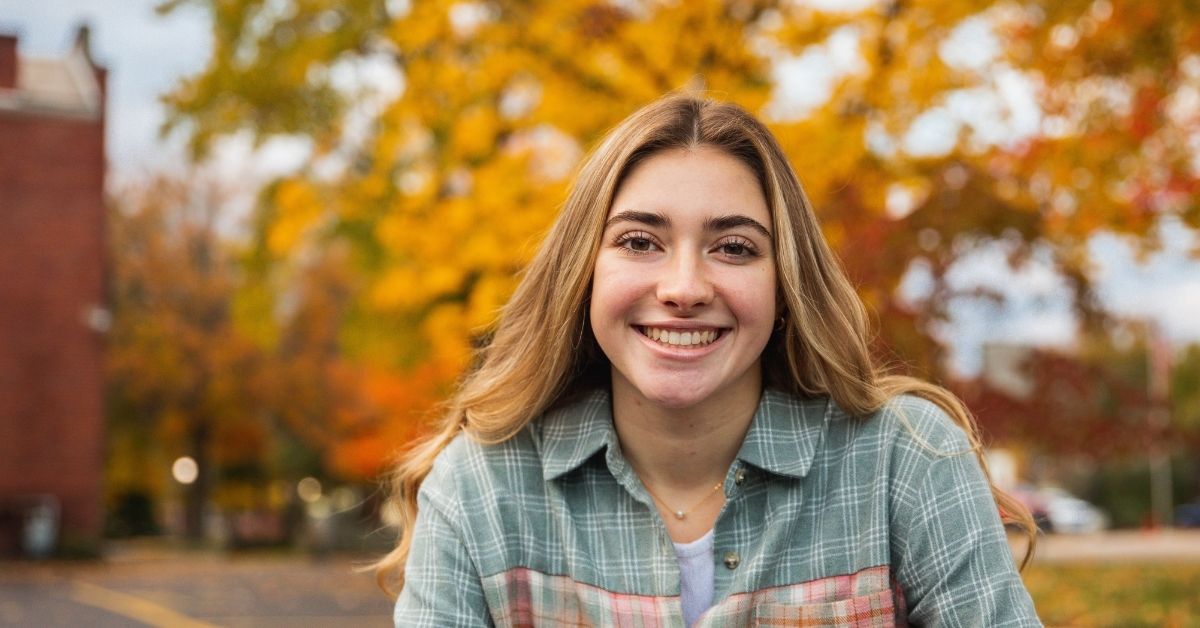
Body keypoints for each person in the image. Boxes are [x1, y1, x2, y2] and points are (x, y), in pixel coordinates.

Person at [377, 94, 1042, 627]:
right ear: (583, 274)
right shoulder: (480, 491)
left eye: (734, 248)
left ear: (785, 284)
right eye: (640, 241)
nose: (686, 288)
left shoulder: (909, 464)